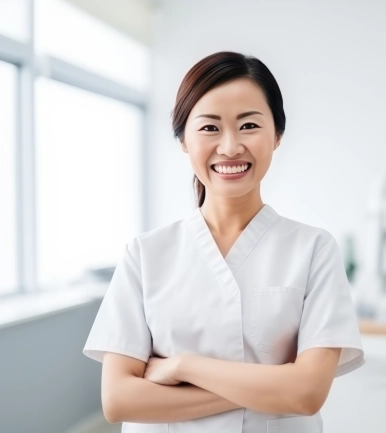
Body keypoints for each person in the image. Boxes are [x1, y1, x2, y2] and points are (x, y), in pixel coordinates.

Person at [82, 51, 365, 433]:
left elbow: (308, 394)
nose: (230, 147)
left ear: (277, 135)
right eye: (210, 128)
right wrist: (275, 385)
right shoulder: (146, 255)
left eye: (248, 125)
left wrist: (183, 367)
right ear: (183, 140)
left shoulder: (314, 250)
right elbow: (119, 400)